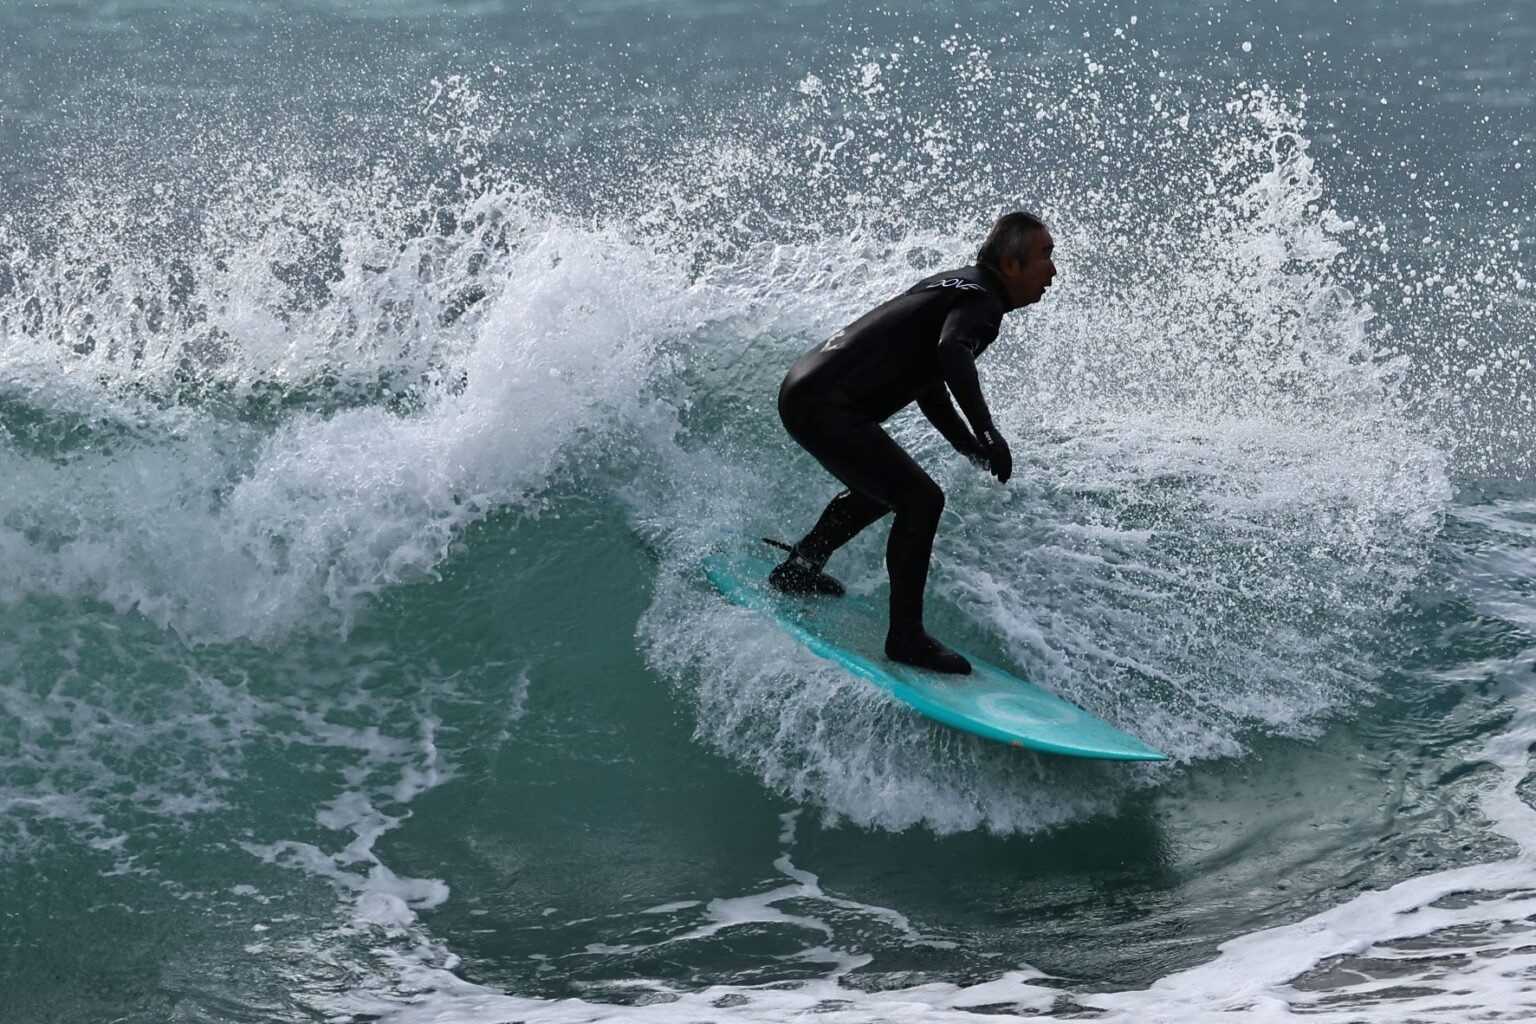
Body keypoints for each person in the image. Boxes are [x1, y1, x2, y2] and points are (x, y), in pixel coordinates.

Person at [769, 211, 1056, 675]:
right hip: (827, 403)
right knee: (921, 501)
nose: (1053, 271)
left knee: (882, 490)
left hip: (805, 387)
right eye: (1045, 256)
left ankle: (801, 567)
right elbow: (951, 351)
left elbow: (930, 379)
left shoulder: (955, 284)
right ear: (1010, 263)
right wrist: (987, 430)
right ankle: (905, 636)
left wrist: (966, 444)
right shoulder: (984, 300)